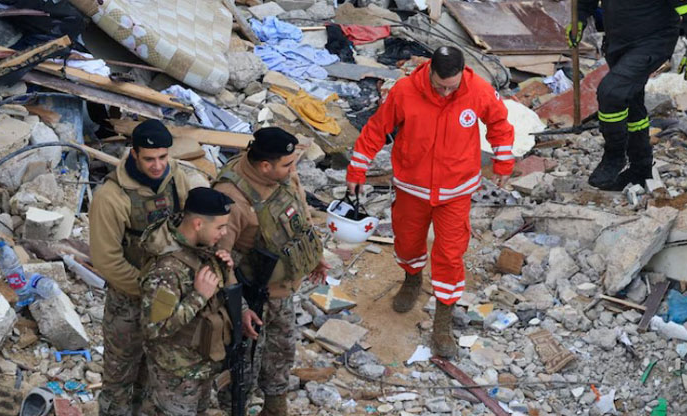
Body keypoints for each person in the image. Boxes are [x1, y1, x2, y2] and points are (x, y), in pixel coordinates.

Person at [345, 46, 515, 358]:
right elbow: (376, 130)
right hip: (412, 187)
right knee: (408, 244)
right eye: (440, 86)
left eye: (452, 87)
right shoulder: (405, 92)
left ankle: (443, 320)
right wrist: (357, 168)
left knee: (450, 255)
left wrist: (504, 164)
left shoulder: (479, 90)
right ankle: (412, 279)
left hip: (456, 191)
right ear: (430, 72)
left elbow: (500, 125)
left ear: (462, 74)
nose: (446, 92)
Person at [213, 127, 330, 415]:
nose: (293, 170)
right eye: (287, 165)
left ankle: (275, 406)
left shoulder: (283, 175)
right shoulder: (233, 199)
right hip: (253, 296)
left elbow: (299, 212)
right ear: (265, 166)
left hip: (283, 289)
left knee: (281, 349)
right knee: (244, 367)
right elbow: (217, 262)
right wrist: (239, 308)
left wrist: (313, 255)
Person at [90, 119, 192, 415]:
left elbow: (187, 227)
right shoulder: (111, 197)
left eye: (163, 157)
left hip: (168, 299)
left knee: (155, 374)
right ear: (133, 154)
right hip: (129, 301)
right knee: (120, 378)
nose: (158, 165)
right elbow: (107, 260)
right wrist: (149, 290)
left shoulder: (176, 179)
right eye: (149, 159)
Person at [567, 0, 687, 190]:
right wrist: (579, 17)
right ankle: (641, 167)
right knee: (631, 101)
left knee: (611, 93)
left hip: (654, 42)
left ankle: (613, 157)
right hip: (618, 42)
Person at [138, 187, 236, 415]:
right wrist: (198, 296)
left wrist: (225, 269)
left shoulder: (202, 248)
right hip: (176, 373)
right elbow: (154, 328)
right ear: (198, 224)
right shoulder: (167, 271)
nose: (224, 233)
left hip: (201, 363)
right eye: (220, 227)